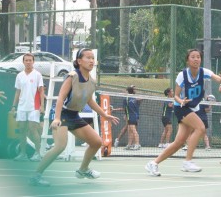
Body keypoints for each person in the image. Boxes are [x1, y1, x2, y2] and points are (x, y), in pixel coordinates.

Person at [29, 48, 119, 187]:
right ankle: (36, 175)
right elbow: (60, 98)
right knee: (60, 146)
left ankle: (83, 170)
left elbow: (90, 100)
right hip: (62, 113)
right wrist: (57, 118)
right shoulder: (72, 76)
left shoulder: (92, 81)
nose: (91, 60)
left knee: (96, 142)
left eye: (92, 58)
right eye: (88, 57)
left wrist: (105, 115)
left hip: (74, 115)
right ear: (79, 61)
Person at [145, 48, 221, 176]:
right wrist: (181, 101)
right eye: (193, 57)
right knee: (200, 128)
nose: (196, 59)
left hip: (192, 108)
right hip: (181, 107)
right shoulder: (182, 75)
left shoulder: (204, 72)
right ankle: (187, 161)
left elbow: (220, 80)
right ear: (188, 60)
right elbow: (176, 96)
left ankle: (153, 163)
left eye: (198, 57)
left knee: (179, 142)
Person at [11, 53, 44, 162]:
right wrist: (14, 106)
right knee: (22, 131)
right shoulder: (19, 75)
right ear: (23, 62)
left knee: (32, 130)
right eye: (26, 60)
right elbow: (17, 92)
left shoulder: (37, 75)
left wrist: (42, 106)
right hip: (21, 107)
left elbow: (41, 91)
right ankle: (23, 154)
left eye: (30, 60)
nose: (28, 62)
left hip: (34, 107)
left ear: (33, 62)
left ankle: (38, 154)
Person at [114, 85, 141, 150]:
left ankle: (137, 144)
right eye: (134, 89)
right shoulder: (134, 98)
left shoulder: (126, 99)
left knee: (133, 131)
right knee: (130, 130)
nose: (135, 90)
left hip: (131, 116)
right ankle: (129, 144)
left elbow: (123, 108)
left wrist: (114, 110)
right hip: (133, 116)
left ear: (127, 91)